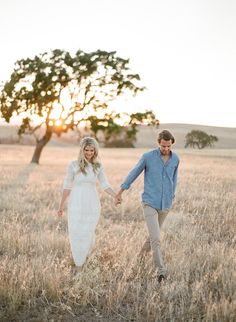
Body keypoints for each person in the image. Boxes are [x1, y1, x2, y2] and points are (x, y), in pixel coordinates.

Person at [115, 130, 179, 283]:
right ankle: (161, 272)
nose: (166, 149)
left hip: (165, 204)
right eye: (163, 146)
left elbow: (174, 180)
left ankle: (138, 262)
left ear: (171, 144)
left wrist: (172, 196)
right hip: (149, 202)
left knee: (151, 238)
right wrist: (120, 192)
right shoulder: (148, 157)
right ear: (159, 143)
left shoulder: (176, 158)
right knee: (156, 239)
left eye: (168, 146)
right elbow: (133, 173)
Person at [57, 137, 116, 275]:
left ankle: (84, 259)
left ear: (95, 150)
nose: (89, 153)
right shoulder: (73, 165)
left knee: (88, 232)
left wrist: (116, 196)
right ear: (81, 150)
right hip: (76, 202)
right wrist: (61, 206)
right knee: (76, 232)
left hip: (92, 202)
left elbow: (105, 184)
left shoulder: (98, 166)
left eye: (91, 150)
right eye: (86, 150)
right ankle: (79, 266)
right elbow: (67, 186)